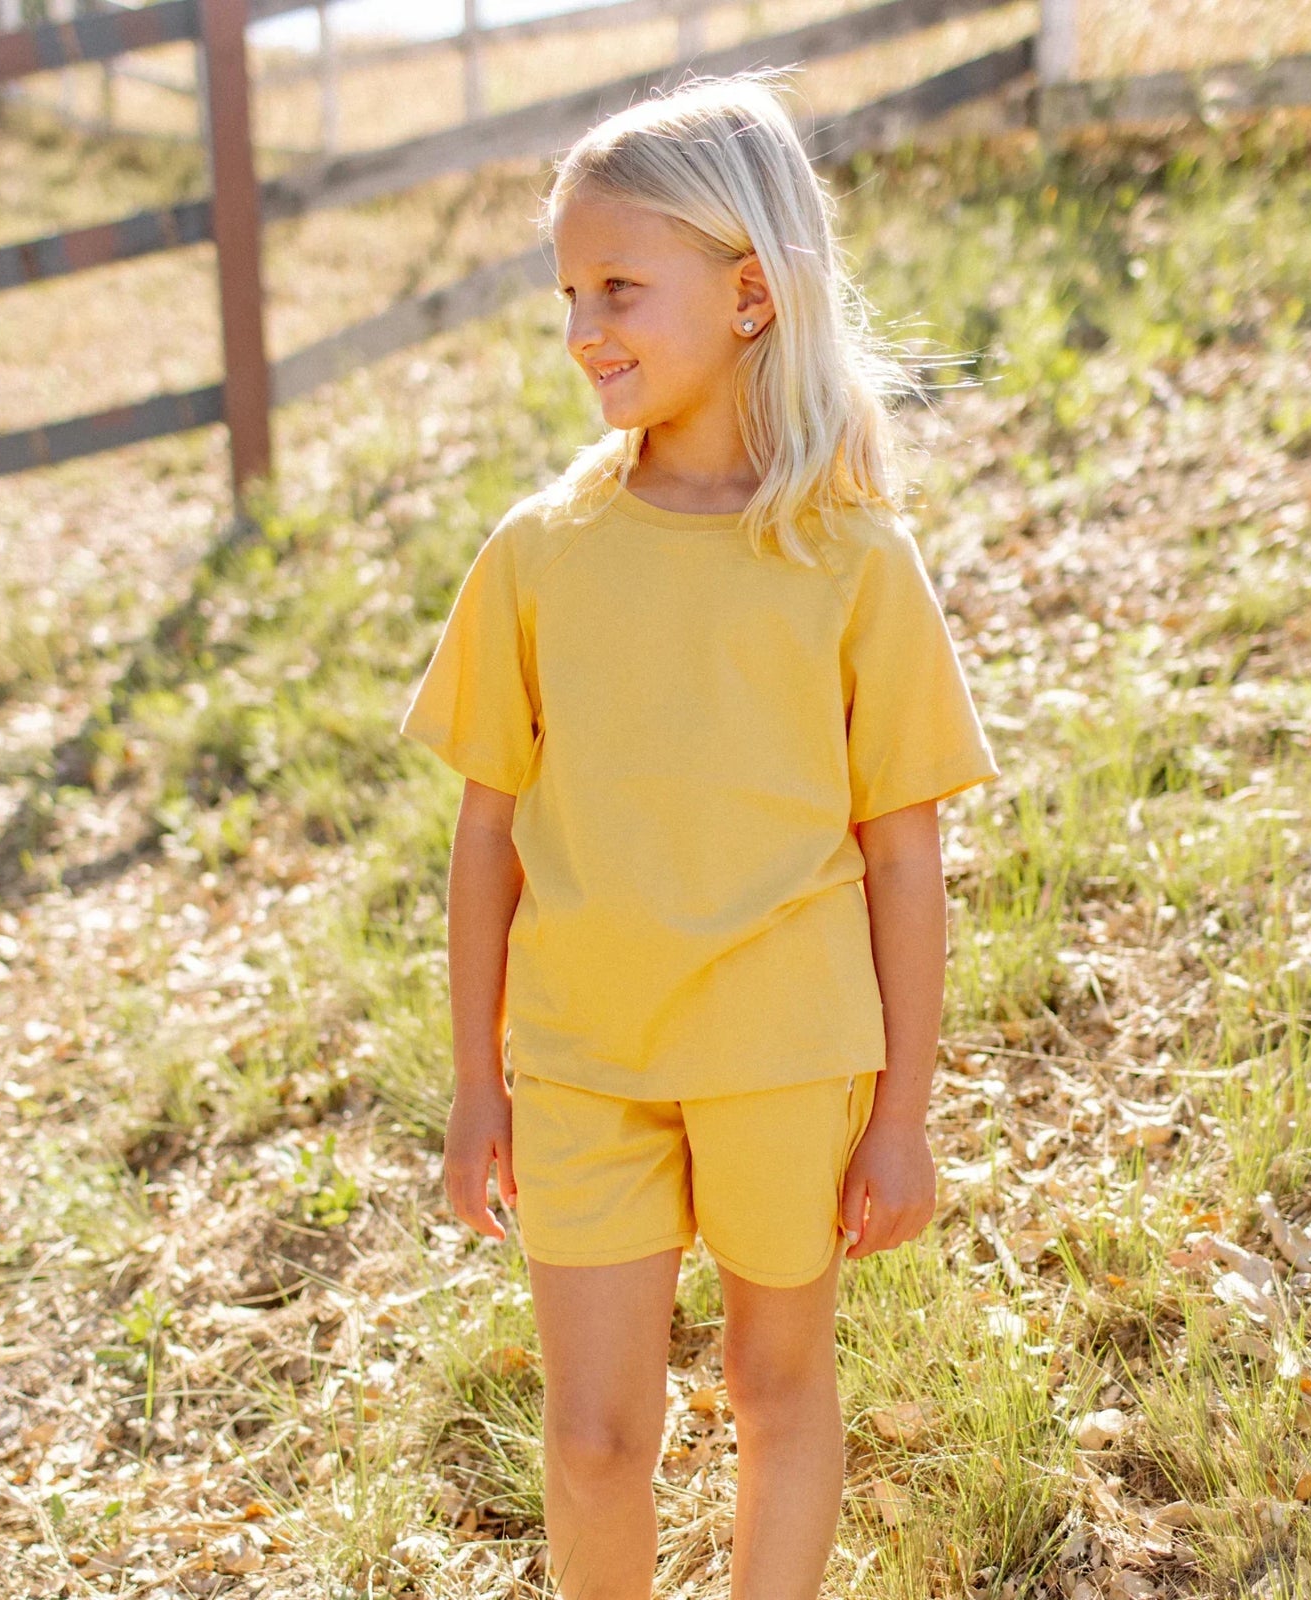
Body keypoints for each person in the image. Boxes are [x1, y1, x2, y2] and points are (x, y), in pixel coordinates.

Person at [398, 71, 998, 1600]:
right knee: (597, 1437)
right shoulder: (538, 556)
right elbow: (488, 837)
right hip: (586, 1062)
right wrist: (478, 1082)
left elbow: (904, 852)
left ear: (748, 294)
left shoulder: (855, 559)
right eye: (567, 293)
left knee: (776, 1394)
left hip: (787, 1060)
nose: (585, 325)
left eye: (618, 286)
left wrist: (904, 1112)